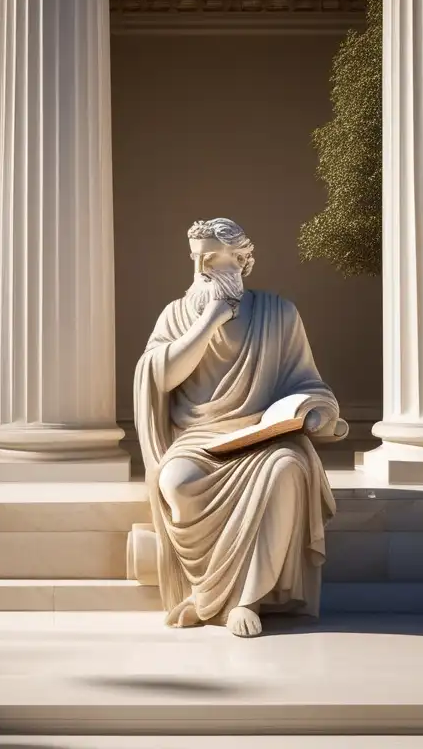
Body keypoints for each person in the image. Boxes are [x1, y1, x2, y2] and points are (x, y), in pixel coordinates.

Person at [133, 218, 341, 638]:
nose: (200, 270)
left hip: (263, 436)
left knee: (286, 470)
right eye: (196, 259)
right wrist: (209, 319)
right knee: (177, 482)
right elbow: (161, 375)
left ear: (243, 260)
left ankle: (246, 599)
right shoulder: (177, 315)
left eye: (212, 258)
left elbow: (307, 382)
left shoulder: (277, 314)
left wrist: (314, 412)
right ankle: (208, 592)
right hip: (199, 438)